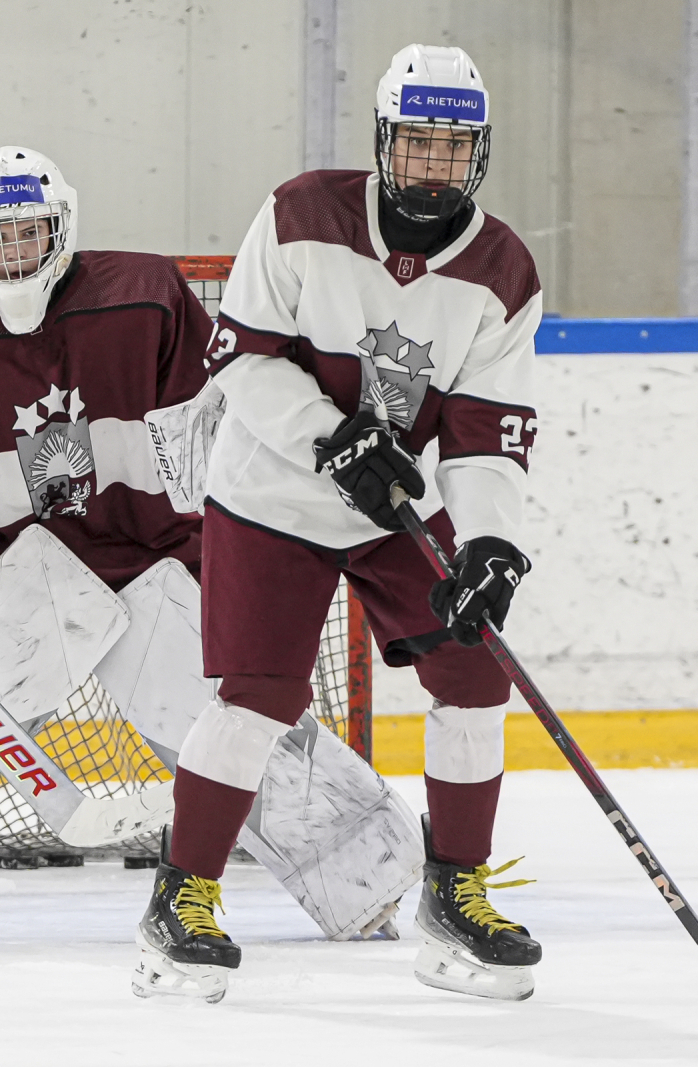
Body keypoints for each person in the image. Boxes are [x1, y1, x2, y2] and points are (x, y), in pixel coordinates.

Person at [0, 146, 419, 951]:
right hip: (12, 575)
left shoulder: (147, 298)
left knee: (227, 713)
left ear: (62, 228)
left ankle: (367, 876)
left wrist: (235, 555)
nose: (13, 252)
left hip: (149, 559)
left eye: (28, 232)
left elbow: (223, 425)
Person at [134, 44, 545, 1004]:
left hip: (396, 505)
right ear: (383, 141)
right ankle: (181, 897)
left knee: (475, 670)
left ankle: (455, 893)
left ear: (480, 153)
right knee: (259, 696)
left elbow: (485, 432)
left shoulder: (504, 270)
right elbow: (241, 357)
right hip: (271, 493)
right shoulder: (300, 214)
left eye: (454, 146)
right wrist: (331, 437)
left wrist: (490, 540)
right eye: (417, 143)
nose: (434, 164)